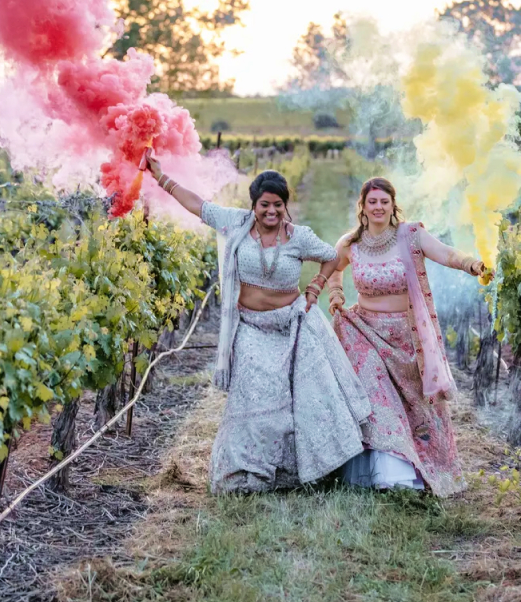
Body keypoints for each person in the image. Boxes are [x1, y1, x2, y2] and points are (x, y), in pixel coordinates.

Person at [141, 151, 371, 494]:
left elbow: (332, 257)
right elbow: (198, 205)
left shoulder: (298, 236)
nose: (272, 211)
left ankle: (298, 472)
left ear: (285, 205)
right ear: (254, 205)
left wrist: (316, 286)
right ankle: (248, 472)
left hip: (293, 326)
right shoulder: (235, 223)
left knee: (304, 401)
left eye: (278, 204)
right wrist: (161, 177)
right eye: (265, 204)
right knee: (254, 401)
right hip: (250, 329)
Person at [328, 178, 489, 497]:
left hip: (408, 337)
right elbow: (333, 268)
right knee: (377, 398)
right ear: (363, 206)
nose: (378, 207)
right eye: (372, 202)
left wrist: (471, 264)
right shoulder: (350, 243)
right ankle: (387, 475)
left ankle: (419, 469)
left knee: (416, 407)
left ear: (392, 205)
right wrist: (335, 293)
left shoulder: (410, 235)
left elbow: (445, 254)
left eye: (384, 202)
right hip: (366, 331)